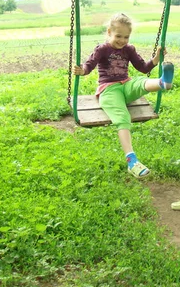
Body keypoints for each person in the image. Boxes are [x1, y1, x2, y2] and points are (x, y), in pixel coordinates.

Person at [73, 13, 174, 179]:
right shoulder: (102, 49)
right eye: (118, 36)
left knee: (140, 81)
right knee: (122, 116)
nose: (122, 40)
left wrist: (155, 59)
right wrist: (82, 70)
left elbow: (143, 68)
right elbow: (90, 65)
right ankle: (132, 161)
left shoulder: (129, 49)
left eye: (126, 37)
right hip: (109, 91)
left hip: (125, 85)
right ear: (109, 32)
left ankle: (162, 83)